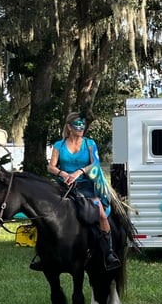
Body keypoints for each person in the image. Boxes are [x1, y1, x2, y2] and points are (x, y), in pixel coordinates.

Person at [43, 112, 120, 271]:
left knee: (100, 213)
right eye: (77, 125)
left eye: (83, 125)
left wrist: (79, 172)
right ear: (69, 127)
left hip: (86, 186)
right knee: (45, 211)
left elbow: (95, 163)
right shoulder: (59, 145)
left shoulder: (90, 144)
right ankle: (43, 252)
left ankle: (109, 251)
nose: (81, 128)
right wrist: (63, 174)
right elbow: (51, 166)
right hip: (64, 186)